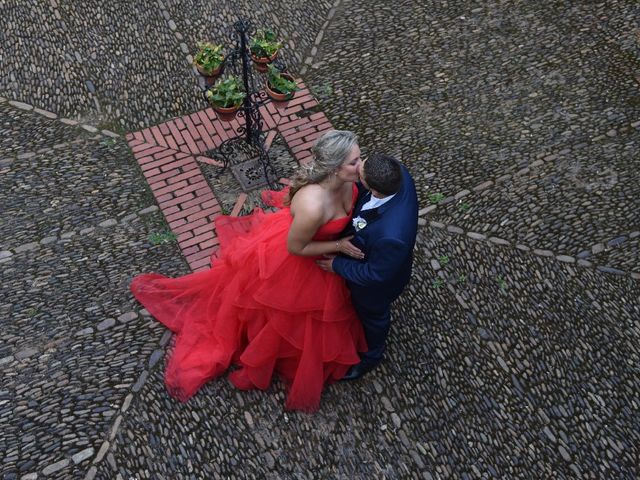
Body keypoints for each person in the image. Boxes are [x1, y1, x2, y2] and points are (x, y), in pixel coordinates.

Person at [130, 130, 368, 412]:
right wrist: (339, 245)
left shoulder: (349, 179)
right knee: (280, 316)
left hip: (323, 250)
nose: (361, 164)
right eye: (354, 161)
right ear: (335, 167)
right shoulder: (313, 205)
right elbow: (295, 248)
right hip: (299, 262)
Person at [317, 153, 418, 380]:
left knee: (374, 317)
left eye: (359, 173)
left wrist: (337, 265)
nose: (355, 169)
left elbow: (375, 274)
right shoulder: (396, 171)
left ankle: (372, 355)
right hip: (372, 246)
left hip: (375, 287)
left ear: (373, 190)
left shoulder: (393, 236)